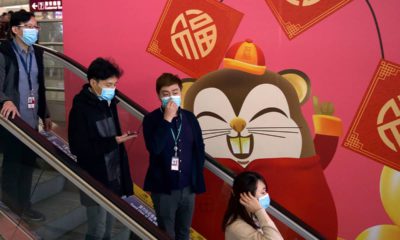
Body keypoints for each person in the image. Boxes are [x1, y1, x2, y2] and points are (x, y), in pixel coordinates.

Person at [68, 58, 135, 240]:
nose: (112, 89)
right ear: (93, 82)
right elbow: (78, 147)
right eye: (108, 84)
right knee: (97, 228)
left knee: (109, 227)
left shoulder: (109, 102)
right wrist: (114, 141)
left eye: (114, 84)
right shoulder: (80, 109)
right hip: (95, 177)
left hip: (114, 173)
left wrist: (117, 141)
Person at [0, 10, 52, 221]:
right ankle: (11, 208)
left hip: (31, 121)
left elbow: (40, 86)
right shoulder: (4, 52)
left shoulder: (36, 53)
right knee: (13, 165)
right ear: (15, 29)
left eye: (36, 27)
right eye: (30, 27)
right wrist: (5, 100)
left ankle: (25, 205)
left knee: (28, 165)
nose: (35, 31)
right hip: (12, 121)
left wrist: (45, 113)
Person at [142, 73, 206, 240]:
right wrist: (167, 119)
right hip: (164, 188)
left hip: (188, 187)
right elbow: (154, 148)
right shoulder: (151, 120)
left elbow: (199, 148)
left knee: (184, 232)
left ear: (180, 92)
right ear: (158, 96)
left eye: (175, 92)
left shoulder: (190, 118)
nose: (171, 96)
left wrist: (196, 175)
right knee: (166, 233)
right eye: (166, 93)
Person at [222, 171, 283, 240]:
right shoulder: (237, 227)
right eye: (262, 192)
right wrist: (259, 210)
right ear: (246, 197)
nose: (266, 195)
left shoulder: (252, 216)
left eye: (265, 191)